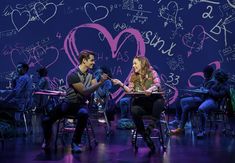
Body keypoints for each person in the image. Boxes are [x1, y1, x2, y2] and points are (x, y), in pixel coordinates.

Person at [41, 50, 108, 153]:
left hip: (81, 105)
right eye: (92, 60)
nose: (94, 62)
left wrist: (101, 83)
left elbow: (94, 88)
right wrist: (100, 83)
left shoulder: (91, 75)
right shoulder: (73, 74)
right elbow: (85, 92)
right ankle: (47, 139)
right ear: (84, 60)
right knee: (46, 120)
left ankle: (75, 142)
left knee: (83, 114)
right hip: (69, 104)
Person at [112, 56, 165, 153]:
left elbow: (157, 85)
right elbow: (130, 90)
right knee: (134, 110)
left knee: (160, 102)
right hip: (142, 104)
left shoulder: (152, 72)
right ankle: (145, 136)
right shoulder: (133, 76)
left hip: (153, 103)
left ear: (142, 63)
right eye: (133, 63)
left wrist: (150, 89)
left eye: (135, 63)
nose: (133, 65)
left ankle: (149, 130)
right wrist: (121, 84)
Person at [171, 65, 215, 135]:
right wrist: (190, 90)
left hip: (205, 101)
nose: (204, 75)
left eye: (205, 73)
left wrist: (201, 92)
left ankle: (190, 124)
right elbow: (200, 88)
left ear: (209, 73)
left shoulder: (213, 82)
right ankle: (182, 125)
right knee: (183, 103)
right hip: (200, 99)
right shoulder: (206, 80)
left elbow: (208, 93)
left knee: (184, 101)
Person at [197, 69, 230, 138]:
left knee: (200, 109)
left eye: (216, 77)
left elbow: (218, 95)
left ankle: (202, 131)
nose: (215, 78)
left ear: (220, 78)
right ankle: (203, 124)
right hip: (209, 99)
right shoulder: (217, 83)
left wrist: (209, 91)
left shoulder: (225, 87)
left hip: (215, 102)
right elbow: (211, 91)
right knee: (191, 103)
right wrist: (206, 90)